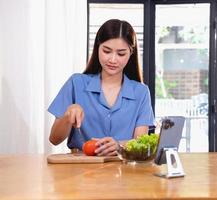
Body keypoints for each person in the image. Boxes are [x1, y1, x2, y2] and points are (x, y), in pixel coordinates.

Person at [48, 19, 155, 156]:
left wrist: (119, 145)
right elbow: (54, 139)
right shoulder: (76, 83)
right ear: (97, 47)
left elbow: (140, 143)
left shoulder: (141, 92)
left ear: (131, 53)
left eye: (121, 54)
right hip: (80, 170)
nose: (112, 60)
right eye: (107, 51)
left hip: (124, 172)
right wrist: (67, 116)